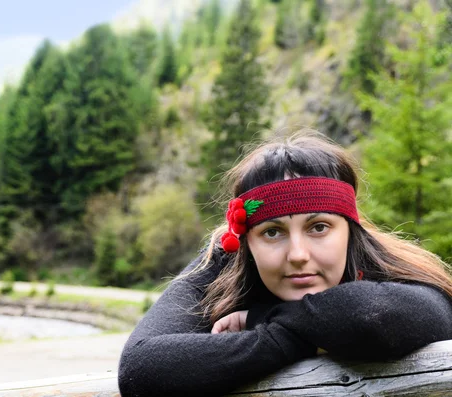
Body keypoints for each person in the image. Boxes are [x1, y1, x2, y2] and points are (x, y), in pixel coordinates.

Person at [117, 130, 452, 397]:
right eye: (273, 232)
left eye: (318, 227)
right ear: (247, 241)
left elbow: (373, 317)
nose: (297, 254)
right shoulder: (222, 263)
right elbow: (142, 367)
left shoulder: (385, 263)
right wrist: (298, 335)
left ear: (348, 230)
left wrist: (263, 321)